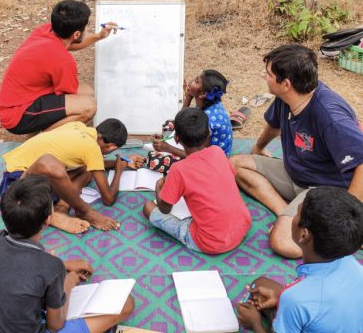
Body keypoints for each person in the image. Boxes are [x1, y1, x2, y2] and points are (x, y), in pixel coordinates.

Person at [230, 44, 363, 258]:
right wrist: (258, 148)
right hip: (295, 173)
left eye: (269, 74)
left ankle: (326, 234)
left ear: (286, 83)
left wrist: (351, 222)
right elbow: (274, 125)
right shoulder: (287, 97)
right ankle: (285, 211)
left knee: (282, 242)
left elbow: (362, 164)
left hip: (323, 189)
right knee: (234, 164)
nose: (264, 76)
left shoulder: (331, 117)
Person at [0, 174, 135, 333]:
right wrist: (70, 281)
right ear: (48, 219)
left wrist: (62, 265)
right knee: (125, 303)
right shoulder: (51, 267)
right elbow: (55, 325)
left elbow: (18, 268)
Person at [237, 186, 363, 333]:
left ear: (304, 235)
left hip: (303, 302)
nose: (293, 216)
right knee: (261, 284)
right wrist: (280, 298)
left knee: (276, 296)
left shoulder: (295, 298)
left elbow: (303, 301)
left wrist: (254, 323)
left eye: (297, 212)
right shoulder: (351, 262)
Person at [0, 119, 145, 233]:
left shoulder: (78, 127)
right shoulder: (91, 148)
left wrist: (114, 163)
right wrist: (119, 170)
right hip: (17, 189)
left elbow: (91, 164)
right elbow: (108, 198)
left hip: (16, 174)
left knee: (86, 171)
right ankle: (83, 211)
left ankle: (60, 210)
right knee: (57, 165)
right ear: (111, 147)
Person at [0, 0, 118, 135]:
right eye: (86, 26)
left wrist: (99, 36)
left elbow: (70, 43)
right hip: (17, 115)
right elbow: (68, 91)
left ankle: (44, 128)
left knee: (87, 92)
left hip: (20, 97)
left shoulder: (46, 30)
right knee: (88, 107)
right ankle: (42, 139)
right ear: (77, 34)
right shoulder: (63, 61)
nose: (87, 28)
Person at [143, 108, 251, 254]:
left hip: (210, 242)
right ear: (208, 133)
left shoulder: (178, 170)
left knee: (148, 208)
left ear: (177, 138)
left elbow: (164, 209)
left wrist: (158, 186)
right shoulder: (217, 152)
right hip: (242, 227)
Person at [149, 70, 233, 173]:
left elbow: (199, 154)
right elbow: (182, 118)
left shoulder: (208, 122)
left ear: (202, 93)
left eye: (196, 81)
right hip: (198, 144)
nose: (191, 81)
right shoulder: (208, 103)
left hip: (211, 162)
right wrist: (188, 97)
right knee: (169, 124)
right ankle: (174, 141)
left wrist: (168, 148)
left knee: (154, 159)